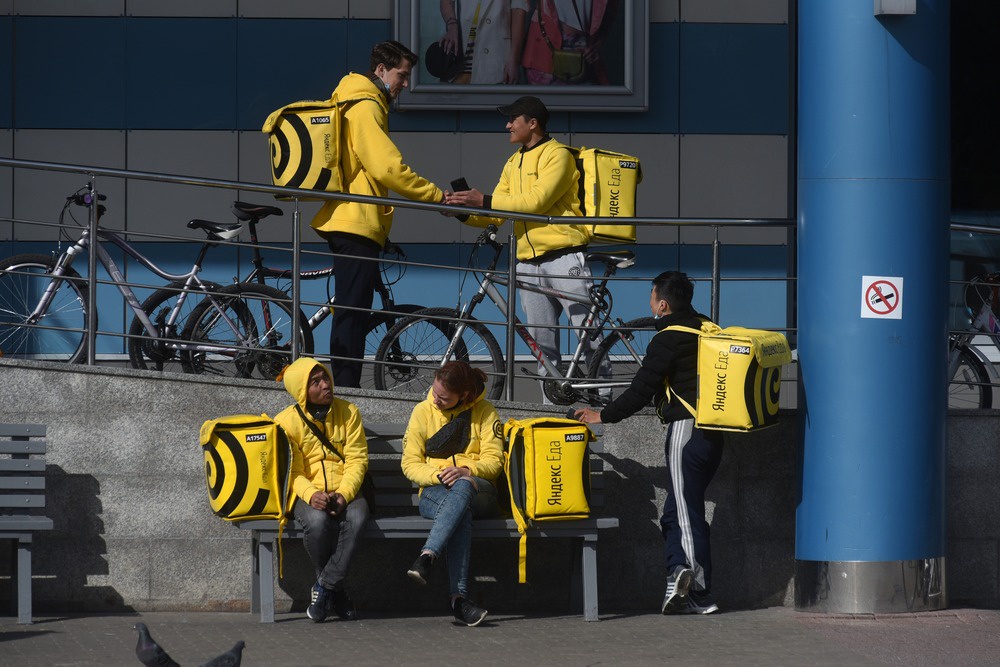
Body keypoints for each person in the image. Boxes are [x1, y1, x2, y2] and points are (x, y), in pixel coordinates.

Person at [574, 271, 724, 615]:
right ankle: (676, 573)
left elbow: (641, 391)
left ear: (663, 304)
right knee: (676, 509)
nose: (650, 303)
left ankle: (701, 592)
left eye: (652, 297)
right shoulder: (706, 327)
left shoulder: (668, 339)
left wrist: (604, 415)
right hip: (715, 432)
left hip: (687, 430)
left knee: (687, 515)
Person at [445, 95, 610, 401]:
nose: (507, 125)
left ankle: (604, 400)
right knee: (542, 344)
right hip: (526, 263)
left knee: (586, 333)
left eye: (513, 119)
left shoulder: (558, 155)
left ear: (532, 123)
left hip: (564, 256)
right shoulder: (514, 161)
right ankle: (552, 408)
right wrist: (461, 210)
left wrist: (483, 200)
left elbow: (535, 204)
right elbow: (496, 214)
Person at [312, 40, 445, 388]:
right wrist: (436, 196)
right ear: (381, 70)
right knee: (352, 313)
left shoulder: (352, 101)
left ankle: (345, 385)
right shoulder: (366, 106)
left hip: (356, 220)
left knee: (352, 310)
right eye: (401, 75)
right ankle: (346, 389)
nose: (404, 83)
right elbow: (386, 167)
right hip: (356, 223)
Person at [401, 360, 504, 626]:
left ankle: (427, 555)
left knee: (463, 487)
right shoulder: (422, 412)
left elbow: (494, 462)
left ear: (465, 395)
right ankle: (459, 601)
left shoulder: (485, 412)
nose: (435, 400)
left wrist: (468, 471)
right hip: (435, 492)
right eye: (434, 393)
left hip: (479, 489)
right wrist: (439, 475)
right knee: (460, 512)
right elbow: (410, 464)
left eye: (443, 398)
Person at [275, 357, 370, 622]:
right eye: (315, 382)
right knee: (317, 523)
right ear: (301, 391)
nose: (326, 385)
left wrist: (345, 493)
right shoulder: (285, 422)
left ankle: (324, 586)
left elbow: (357, 460)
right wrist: (311, 495)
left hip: (346, 489)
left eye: (325, 378)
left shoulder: (349, 412)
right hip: (309, 492)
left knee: (359, 516)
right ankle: (337, 592)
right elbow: (291, 472)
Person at [517, 0, 621, 85]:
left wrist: (596, 45)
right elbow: (518, 5)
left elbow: (610, 11)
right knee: (544, 108)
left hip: (585, 54)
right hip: (544, 52)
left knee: (584, 107)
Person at [436, 0, 527, 84]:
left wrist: (514, 60)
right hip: (457, 60)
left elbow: (518, 10)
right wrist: (452, 26)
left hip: (495, 56)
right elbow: (446, 1)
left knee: (492, 98)